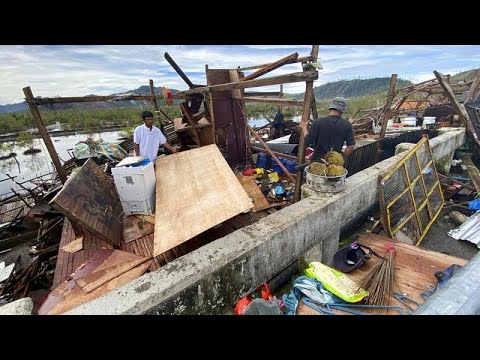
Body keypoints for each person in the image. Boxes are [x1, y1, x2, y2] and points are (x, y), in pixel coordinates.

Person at [300, 97, 355, 162]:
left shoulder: (318, 122)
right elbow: (351, 146)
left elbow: (309, 141)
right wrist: (342, 158)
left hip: (317, 161)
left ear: (330, 107)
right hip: (334, 163)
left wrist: (304, 128)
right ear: (342, 110)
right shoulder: (347, 125)